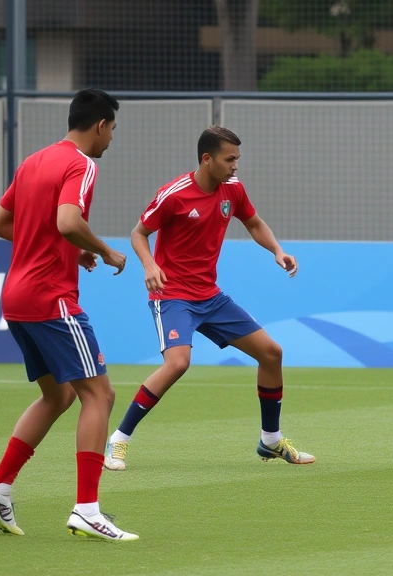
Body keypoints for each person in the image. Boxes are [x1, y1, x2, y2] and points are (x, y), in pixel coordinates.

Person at [103, 126, 314, 471]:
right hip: (172, 296)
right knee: (178, 363)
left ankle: (270, 440)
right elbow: (139, 233)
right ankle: (119, 439)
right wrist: (149, 264)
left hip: (210, 297)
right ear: (207, 158)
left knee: (272, 353)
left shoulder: (234, 190)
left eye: (237, 159)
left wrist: (277, 250)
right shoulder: (174, 194)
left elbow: (254, 223)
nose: (235, 166)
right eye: (230, 159)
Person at [0, 89, 138, 541]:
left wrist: (70, 248)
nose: (111, 140)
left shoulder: (33, 161)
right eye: (113, 130)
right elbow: (68, 220)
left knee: (59, 396)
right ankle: (87, 509)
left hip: (16, 298)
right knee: (100, 395)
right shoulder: (82, 164)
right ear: (101, 125)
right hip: (52, 299)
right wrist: (102, 249)